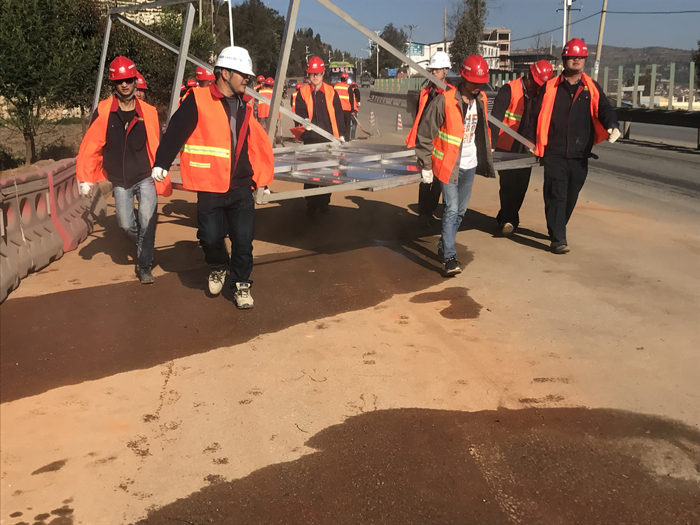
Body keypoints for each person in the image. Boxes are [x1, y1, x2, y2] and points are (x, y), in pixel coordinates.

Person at [150, 46, 274, 309]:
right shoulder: (198, 99)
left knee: (243, 241)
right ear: (225, 73)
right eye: (243, 74)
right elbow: (176, 131)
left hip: (241, 185)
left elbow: (256, 143)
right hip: (210, 186)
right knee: (210, 237)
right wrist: (162, 162)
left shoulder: (245, 105)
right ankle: (218, 266)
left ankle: (241, 284)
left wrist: (262, 178)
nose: (247, 79)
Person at [77, 56, 171, 284]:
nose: (125, 85)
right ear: (114, 84)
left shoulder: (148, 112)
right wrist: (86, 178)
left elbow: (158, 143)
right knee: (126, 224)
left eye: (129, 80)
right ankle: (143, 243)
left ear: (135, 81)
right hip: (120, 180)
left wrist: (161, 165)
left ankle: (145, 265)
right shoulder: (104, 111)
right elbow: (91, 144)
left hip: (145, 176)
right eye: (120, 81)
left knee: (147, 220)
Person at [530, 38, 620, 254]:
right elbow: (535, 115)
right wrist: (531, 141)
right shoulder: (550, 87)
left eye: (580, 57)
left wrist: (613, 125)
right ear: (564, 59)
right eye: (572, 57)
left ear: (585, 60)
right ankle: (558, 239)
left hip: (580, 154)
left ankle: (557, 227)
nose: (576, 60)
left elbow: (604, 109)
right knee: (557, 194)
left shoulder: (591, 88)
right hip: (554, 152)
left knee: (571, 196)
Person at [415, 55, 495, 276]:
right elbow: (425, 134)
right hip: (447, 164)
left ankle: (443, 245)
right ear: (463, 77)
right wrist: (426, 165)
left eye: (481, 82)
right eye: (474, 82)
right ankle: (449, 257)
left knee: (460, 211)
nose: (478, 86)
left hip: (470, 163)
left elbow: (482, 129)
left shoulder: (481, 99)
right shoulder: (445, 101)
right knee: (450, 209)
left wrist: (487, 149)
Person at [489, 59, 553, 236]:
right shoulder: (509, 90)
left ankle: (506, 217)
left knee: (521, 186)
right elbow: (495, 118)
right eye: (536, 83)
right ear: (528, 75)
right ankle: (509, 220)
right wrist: (491, 143)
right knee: (508, 185)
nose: (537, 87)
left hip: (527, 149)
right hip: (506, 147)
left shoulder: (540, 94)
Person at [406, 51, 453, 227]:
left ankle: (430, 210)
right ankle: (423, 214)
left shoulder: (450, 93)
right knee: (425, 179)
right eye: (432, 70)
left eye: (437, 70)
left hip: (442, 143)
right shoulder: (426, 92)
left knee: (438, 182)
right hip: (426, 141)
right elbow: (419, 115)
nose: (433, 73)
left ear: (446, 70)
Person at [294, 56, 345, 216]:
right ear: (308, 74)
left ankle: (324, 202)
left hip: (329, 140)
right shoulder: (302, 93)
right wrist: (304, 121)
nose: (315, 77)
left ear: (323, 73)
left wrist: (341, 135)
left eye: (318, 74)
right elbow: (299, 112)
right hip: (310, 141)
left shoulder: (331, 92)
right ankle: (311, 203)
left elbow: (339, 115)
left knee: (328, 174)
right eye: (312, 74)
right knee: (310, 174)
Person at [333, 72, 354, 141]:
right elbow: (351, 100)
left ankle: (338, 137)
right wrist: (352, 110)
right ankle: (347, 138)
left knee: (338, 123)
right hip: (347, 109)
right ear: (346, 79)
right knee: (347, 125)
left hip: (337, 109)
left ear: (341, 78)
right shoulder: (349, 87)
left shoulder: (335, 86)